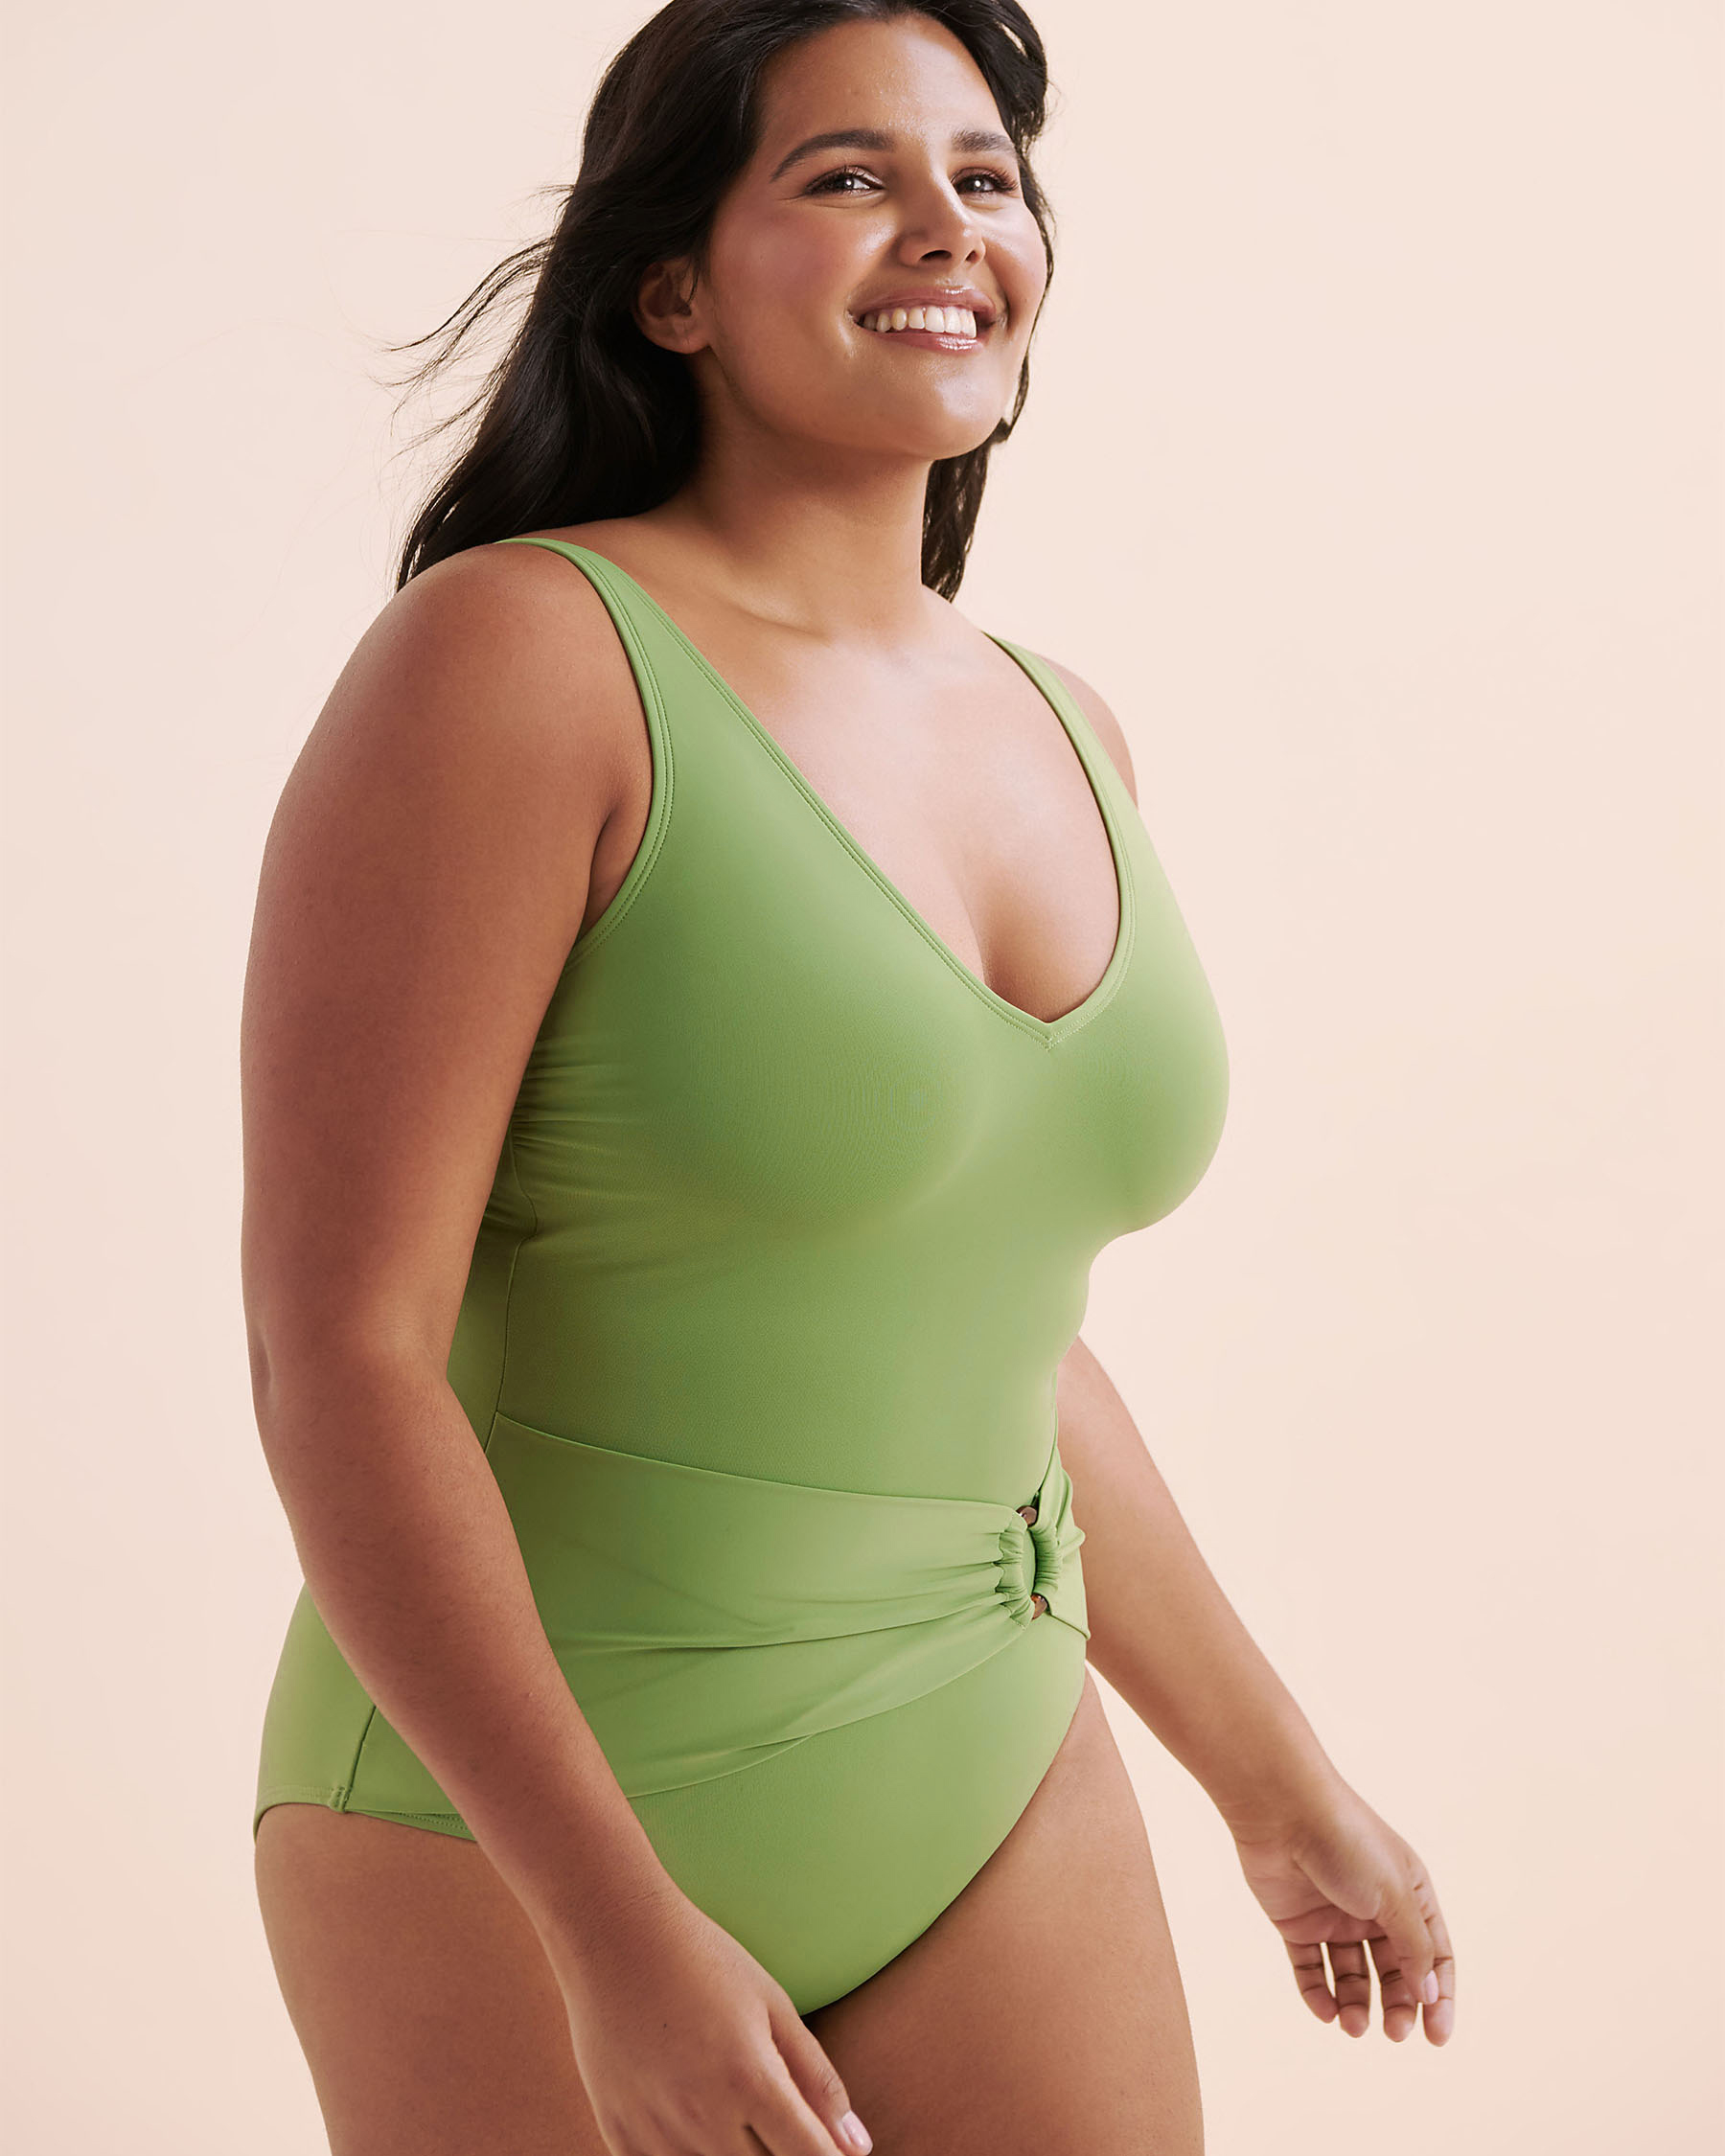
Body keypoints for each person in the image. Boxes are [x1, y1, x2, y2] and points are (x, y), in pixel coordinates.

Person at [242, 2, 1456, 2150]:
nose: (948, 224)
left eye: (985, 176)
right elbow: (345, 1350)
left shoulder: (1065, 725)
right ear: (673, 289)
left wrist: (1281, 1784)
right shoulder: (519, 660)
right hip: (523, 1813)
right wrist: (612, 1928)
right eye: (848, 175)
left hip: (982, 1750)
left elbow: (1004, 1334)